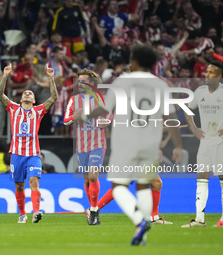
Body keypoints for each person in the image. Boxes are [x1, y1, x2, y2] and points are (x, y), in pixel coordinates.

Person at [76, 45, 183, 244]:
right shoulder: (161, 85)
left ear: (133, 62)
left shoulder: (123, 82)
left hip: (126, 142)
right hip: (150, 144)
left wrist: (84, 114)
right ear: (153, 64)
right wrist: (177, 145)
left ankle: (139, 220)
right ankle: (144, 226)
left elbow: (105, 108)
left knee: (119, 187)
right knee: (143, 185)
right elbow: (172, 116)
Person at [0, 63, 58, 224]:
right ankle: (22, 213)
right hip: (16, 154)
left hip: (33, 154)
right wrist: (5, 76)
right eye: (25, 93)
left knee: (34, 182)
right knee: (19, 186)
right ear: (21, 98)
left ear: (34, 99)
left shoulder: (38, 111)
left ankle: (36, 212)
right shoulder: (13, 108)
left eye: (30, 93)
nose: (28, 94)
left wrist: (51, 79)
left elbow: (53, 98)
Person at [64, 69, 110, 225]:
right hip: (81, 145)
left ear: (91, 83)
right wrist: (73, 117)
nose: (80, 84)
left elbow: (110, 118)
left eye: (84, 81)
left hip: (98, 143)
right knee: (86, 179)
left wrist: (107, 123)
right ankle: (92, 209)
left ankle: (94, 210)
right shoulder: (73, 100)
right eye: (79, 81)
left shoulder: (102, 100)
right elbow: (65, 120)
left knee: (93, 176)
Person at [182, 60, 223, 228]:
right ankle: (199, 219)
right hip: (205, 141)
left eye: (211, 72)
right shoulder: (199, 92)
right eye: (206, 71)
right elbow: (187, 109)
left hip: (220, 142)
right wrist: (193, 128)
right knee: (202, 177)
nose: (206, 75)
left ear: (219, 76)